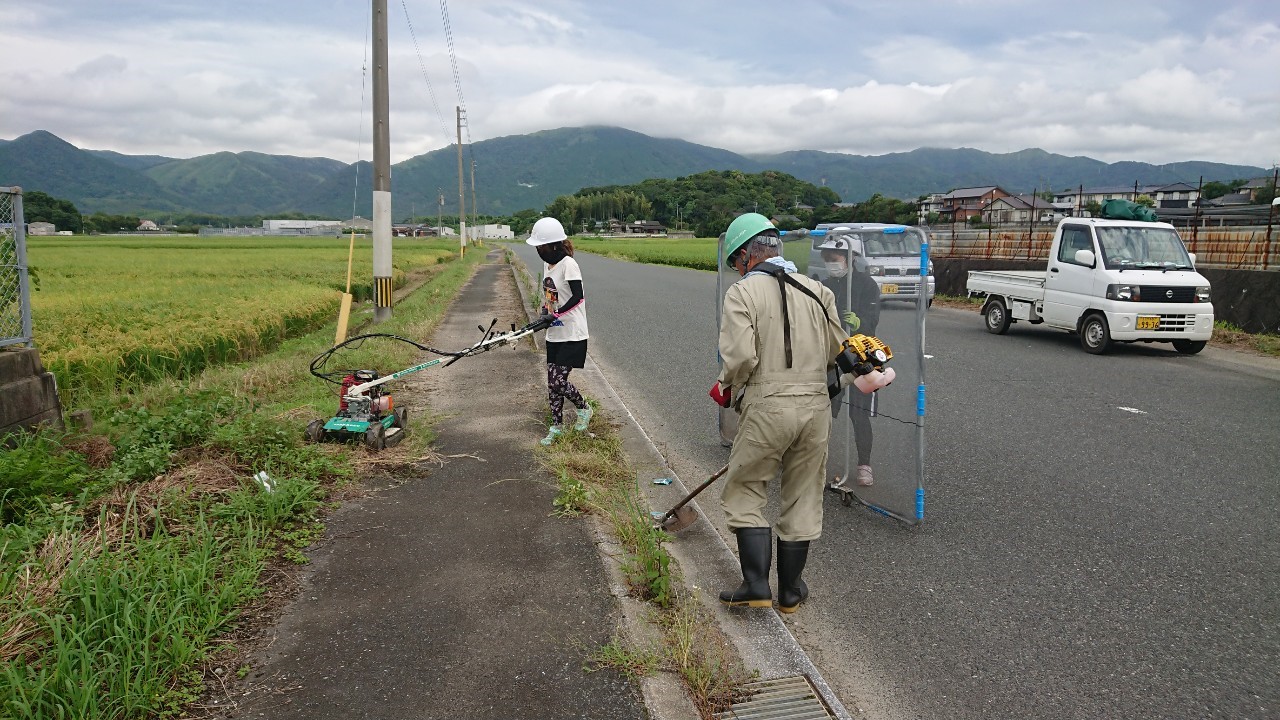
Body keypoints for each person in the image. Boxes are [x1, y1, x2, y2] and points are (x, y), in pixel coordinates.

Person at [711, 213, 846, 614]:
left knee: (747, 486)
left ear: (745, 257)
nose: (737, 269)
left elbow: (738, 357)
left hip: (768, 406)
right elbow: (837, 352)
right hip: (816, 406)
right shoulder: (818, 290)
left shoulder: (742, 293)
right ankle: (790, 591)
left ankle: (755, 584)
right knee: (803, 493)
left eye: (736, 262)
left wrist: (727, 386)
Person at [818, 236, 881, 487]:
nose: (830, 262)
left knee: (859, 413)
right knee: (824, 409)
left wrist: (859, 322)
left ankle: (864, 464)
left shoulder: (867, 284)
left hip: (861, 358)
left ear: (849, 258)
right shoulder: (823, 285)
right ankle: (816, 458)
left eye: (834, 258)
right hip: (833, 359)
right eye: (827, 258)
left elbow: (873, 319)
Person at [526, 217, 591, 445]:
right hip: (554, 333)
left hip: (572, 334)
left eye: (540, 246)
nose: (538, 250)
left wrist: (556, 314)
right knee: (551, 382)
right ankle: (556, 426)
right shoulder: (547, 264)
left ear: (553, 245)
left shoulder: (568, 264)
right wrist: (546, 310)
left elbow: (577, 296)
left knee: (558, 382)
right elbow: (550, 295)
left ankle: (584, 408)